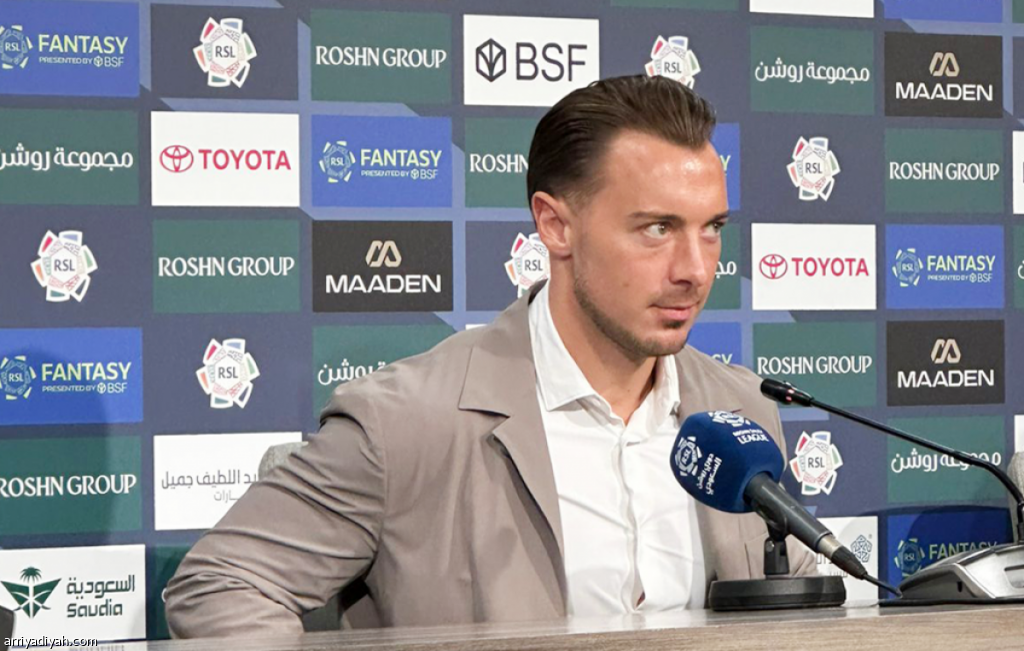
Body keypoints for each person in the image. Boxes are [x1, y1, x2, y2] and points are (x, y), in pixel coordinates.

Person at [165, 74, 815, 638]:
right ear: (555, 225)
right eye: (657, 228)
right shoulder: (406, 422)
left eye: (711, 229)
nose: (695, 269)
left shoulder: (743, 410)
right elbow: (221, 582)